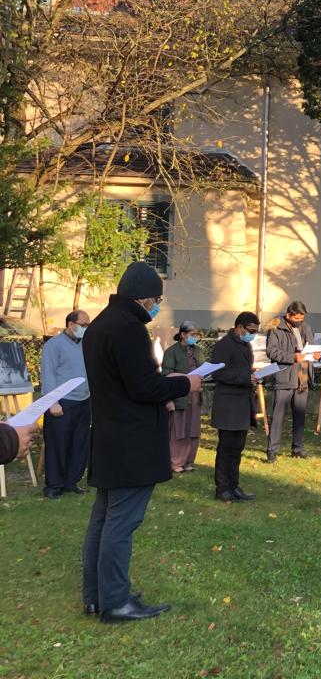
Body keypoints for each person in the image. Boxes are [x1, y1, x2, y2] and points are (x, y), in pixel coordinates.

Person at [82, 261, 202, 623]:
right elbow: (142, 387)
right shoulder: (129, 329)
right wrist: (184, 383)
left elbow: (124, 383)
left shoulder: (99, 326)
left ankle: (97, 595)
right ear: (145, 298)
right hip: (132, 441)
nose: (157, 306)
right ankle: (116, 602)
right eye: (157, 300)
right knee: (121, 523)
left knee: (103, 519)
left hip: (108, 437)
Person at [40, 310, 92, 498]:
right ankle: (54, 485)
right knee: (57, 444)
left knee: (79, 444)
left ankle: (71, 481)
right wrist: (52, 402)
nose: (86, 328)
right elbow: (48, 374)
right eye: (83, 325)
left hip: (83, 401)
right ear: (71, 324)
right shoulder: (54, 345)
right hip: (61, 402)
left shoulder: (86, 345)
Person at [210, 312, 260, 502]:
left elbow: (242, 370)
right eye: (250, 331)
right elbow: (218, 373)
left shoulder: (246, 345)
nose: (252, 335)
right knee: (226, 448)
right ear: (239, 327)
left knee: (237, 448)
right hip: (228, 404)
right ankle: (222, 488)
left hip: (242, 403)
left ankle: (234, 485)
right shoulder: (224, 345)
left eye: (255, 331)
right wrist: (245, 378)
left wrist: (253, 378)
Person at [265, 301, 320, 462]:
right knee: (278, 416)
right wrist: (292, 357)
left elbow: (311, 346)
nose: (299, 321)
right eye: (296, 318)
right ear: (288, 315)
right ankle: (272, 451)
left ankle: (298, 449)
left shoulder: (306, 327)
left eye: (302, 318)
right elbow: (271, 351)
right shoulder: (276, 327)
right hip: (285, 377)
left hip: (303, 378)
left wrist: (316, 355)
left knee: (300, 416)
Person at [161, 321, 204, 473]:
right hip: (179, 395)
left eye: (197, 334)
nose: (195, 337)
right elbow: (166, 374)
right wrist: (169, 399)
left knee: (193, 430)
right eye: (193, 334)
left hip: (195, 396)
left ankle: (188, 461)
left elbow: (202, 369)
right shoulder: (172, 352)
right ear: (183, 335)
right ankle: (175, 462)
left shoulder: (198, 351)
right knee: (178, 431)